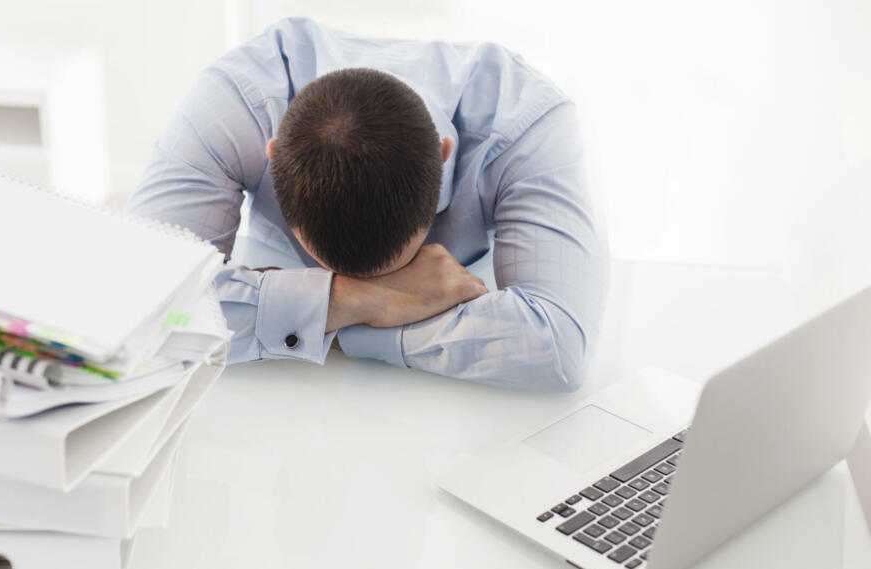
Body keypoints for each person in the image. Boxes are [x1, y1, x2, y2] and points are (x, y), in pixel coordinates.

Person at [127, 17, 608, 391]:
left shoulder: (529, 123)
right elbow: (132, 301)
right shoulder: (235, 104)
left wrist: (309, 320)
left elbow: (559, 346)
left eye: (384, 277)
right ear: (273, 159)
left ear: (444, 158)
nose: (377, 286)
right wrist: (363, 301)